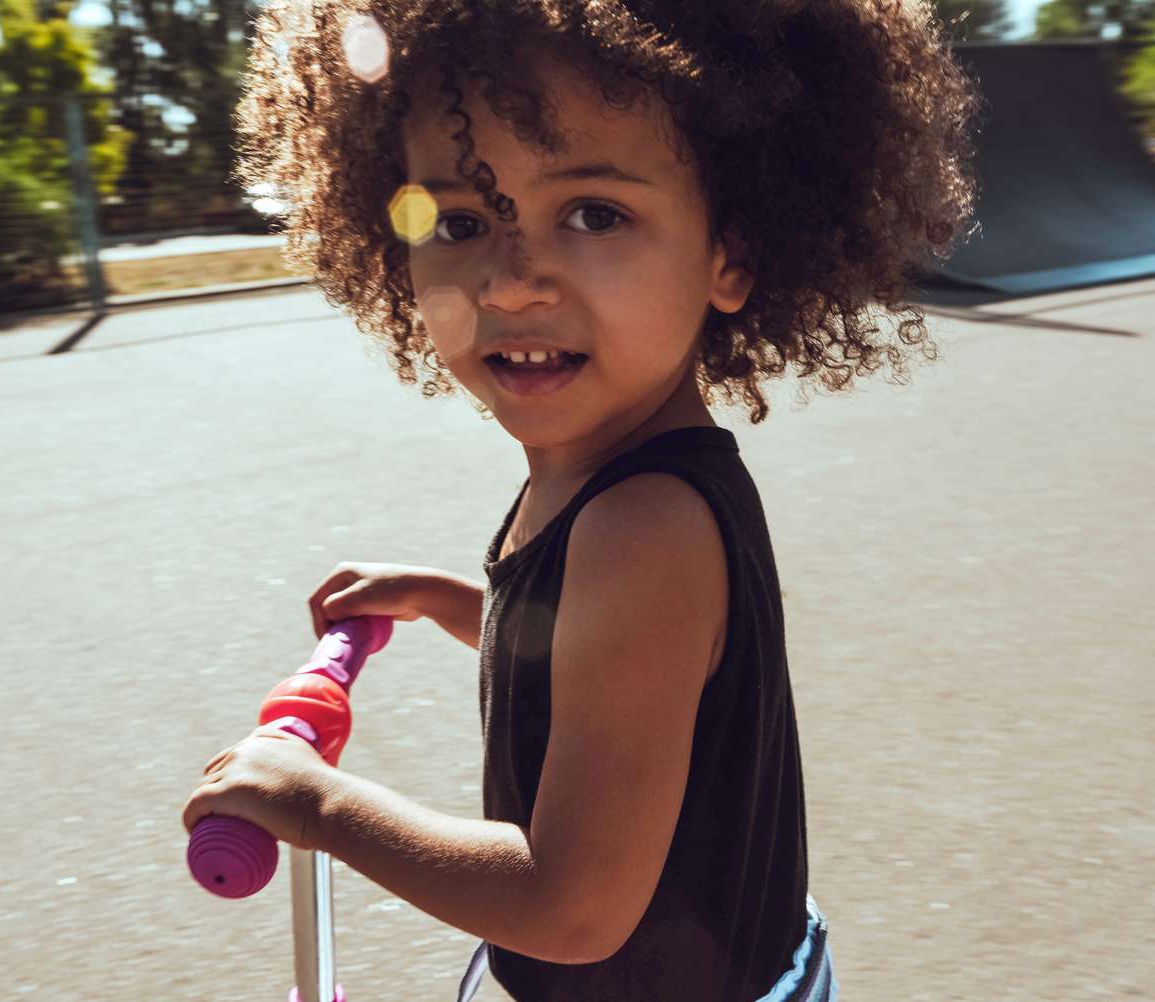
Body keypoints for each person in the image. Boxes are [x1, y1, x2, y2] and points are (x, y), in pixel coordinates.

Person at [181, 2, 978, 998]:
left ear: (728, 255)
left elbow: (572, 908)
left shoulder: (642, 529)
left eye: (593, 213)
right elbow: (604, 672)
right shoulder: (612, 484)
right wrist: (445, 602)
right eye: (463, 222)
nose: (511, 282)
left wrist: (319, 807)